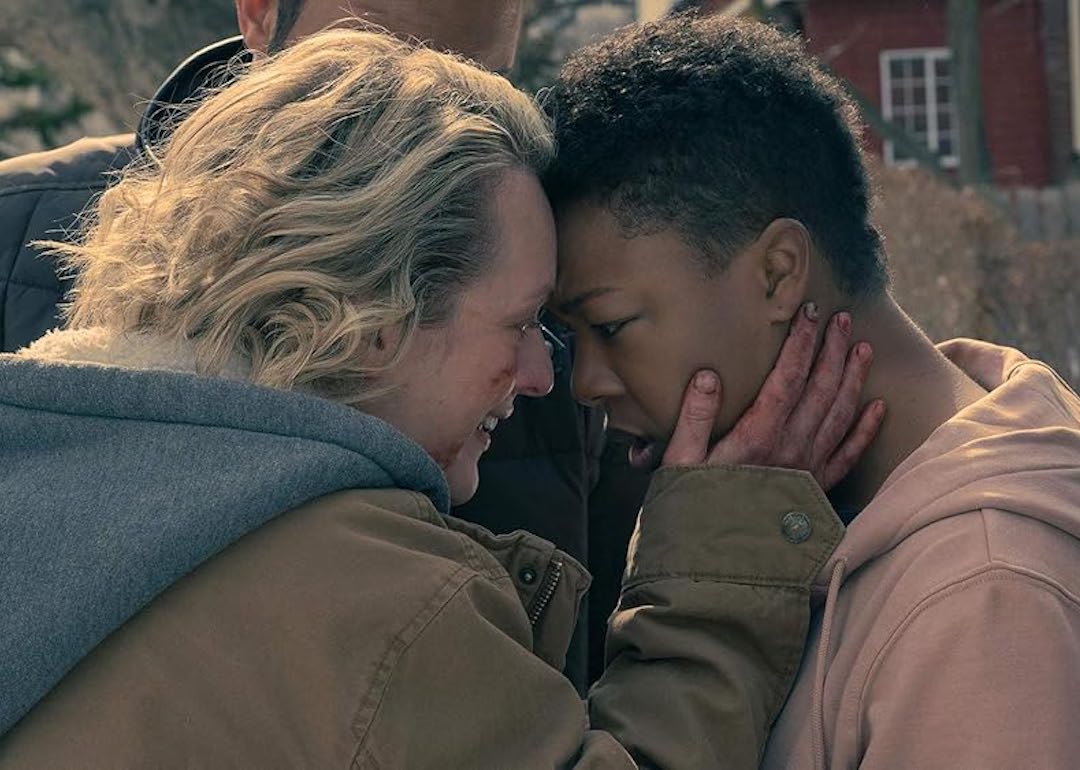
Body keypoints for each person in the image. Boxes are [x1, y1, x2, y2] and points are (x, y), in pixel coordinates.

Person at [0, 28, 880, 768]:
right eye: (524, 323)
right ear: (374, 317)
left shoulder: (42, 476)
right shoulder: (376, 598)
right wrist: (716, 582)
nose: (545, 379)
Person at [0, 0, 614, 691]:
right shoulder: (14, 230)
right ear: (260, 14)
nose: (423, 111)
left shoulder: (563, 299)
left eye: (479, 78)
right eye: (371, 50)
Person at [546, 13, 1080, 769]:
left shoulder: (986, 594)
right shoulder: (796, 504)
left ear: (778, 271)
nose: (587, 382)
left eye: (612, 325)